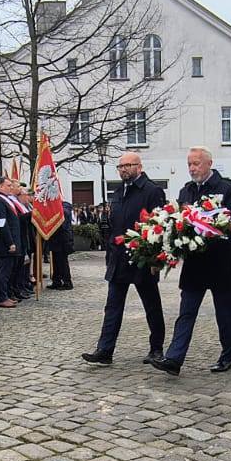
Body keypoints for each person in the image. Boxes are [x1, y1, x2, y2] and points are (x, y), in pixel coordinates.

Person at [153, 146, 231, 376]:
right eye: (189, 164)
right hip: (194, 265)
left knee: (225, 313)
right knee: (186, 312)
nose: (192, 168)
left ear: (209, 163)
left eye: (196, 163)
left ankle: (227, 356)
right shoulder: (186, 191)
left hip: (220, 262)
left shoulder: (227, 189)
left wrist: (215, 227)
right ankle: (174, 358)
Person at [83, 151, 167, 366]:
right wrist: (110, 253)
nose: (123, 169)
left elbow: (159, 226)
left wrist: (155, 259)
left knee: (151, 305)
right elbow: (113, 226)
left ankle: (156, 348)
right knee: (112, 306)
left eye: (128, 165)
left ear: (139, 167)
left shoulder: (152, 191)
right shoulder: (119, 192)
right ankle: (105, 349)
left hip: (143, 258)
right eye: (120, 166)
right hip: (119, 258)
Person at [0, 177, 23, 309]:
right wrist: (10, 242)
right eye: (8, 185)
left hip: (12, 241)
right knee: (4, 271)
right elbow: (2, 223)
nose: (11, 187)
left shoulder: (6, 199)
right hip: (4, 243)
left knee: (9, 270)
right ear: (0, 186)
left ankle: (7, 294)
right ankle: (1, 297)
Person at [47, 200, 75, 289]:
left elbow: (64, 215)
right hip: (55, 240)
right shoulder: (61, 207)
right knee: (56, 262)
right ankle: (56, 281)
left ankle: (67, 283)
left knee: (62, 263)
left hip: (62, 241)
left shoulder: (65, 208)